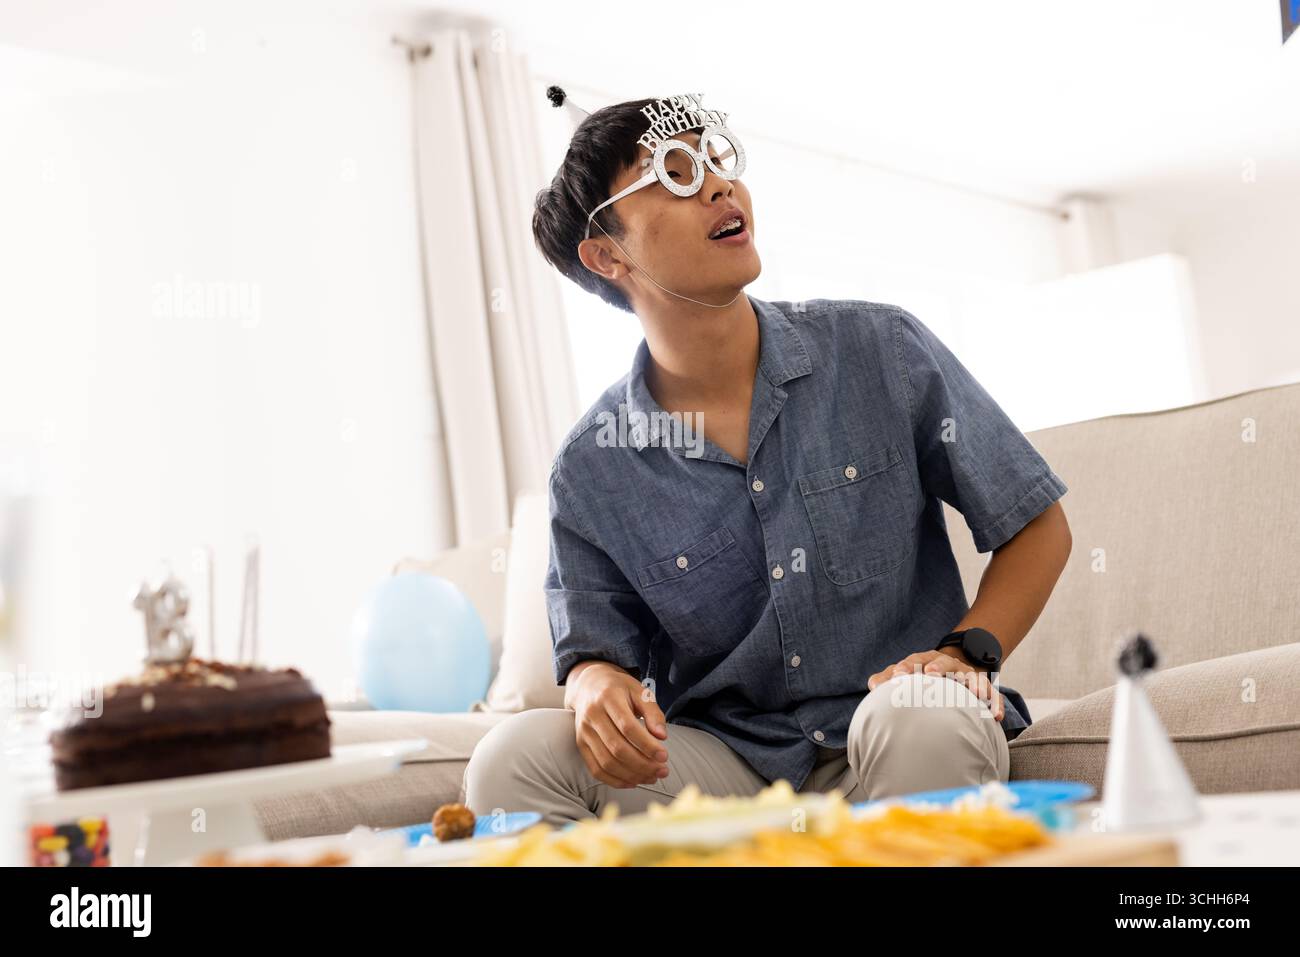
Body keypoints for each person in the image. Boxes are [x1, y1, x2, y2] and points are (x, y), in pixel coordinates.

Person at [464, 91, 1073, 826]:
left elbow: (1037, 525)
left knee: (915, 715)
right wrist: (590, 681)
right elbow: (597, 651)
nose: (719, 185)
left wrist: (966, 653)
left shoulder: (880, 350)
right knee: (508, 760)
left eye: (715, 161)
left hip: (898, 723)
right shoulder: (593, 469)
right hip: (727, 769)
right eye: (674, 174)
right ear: (607, 254)